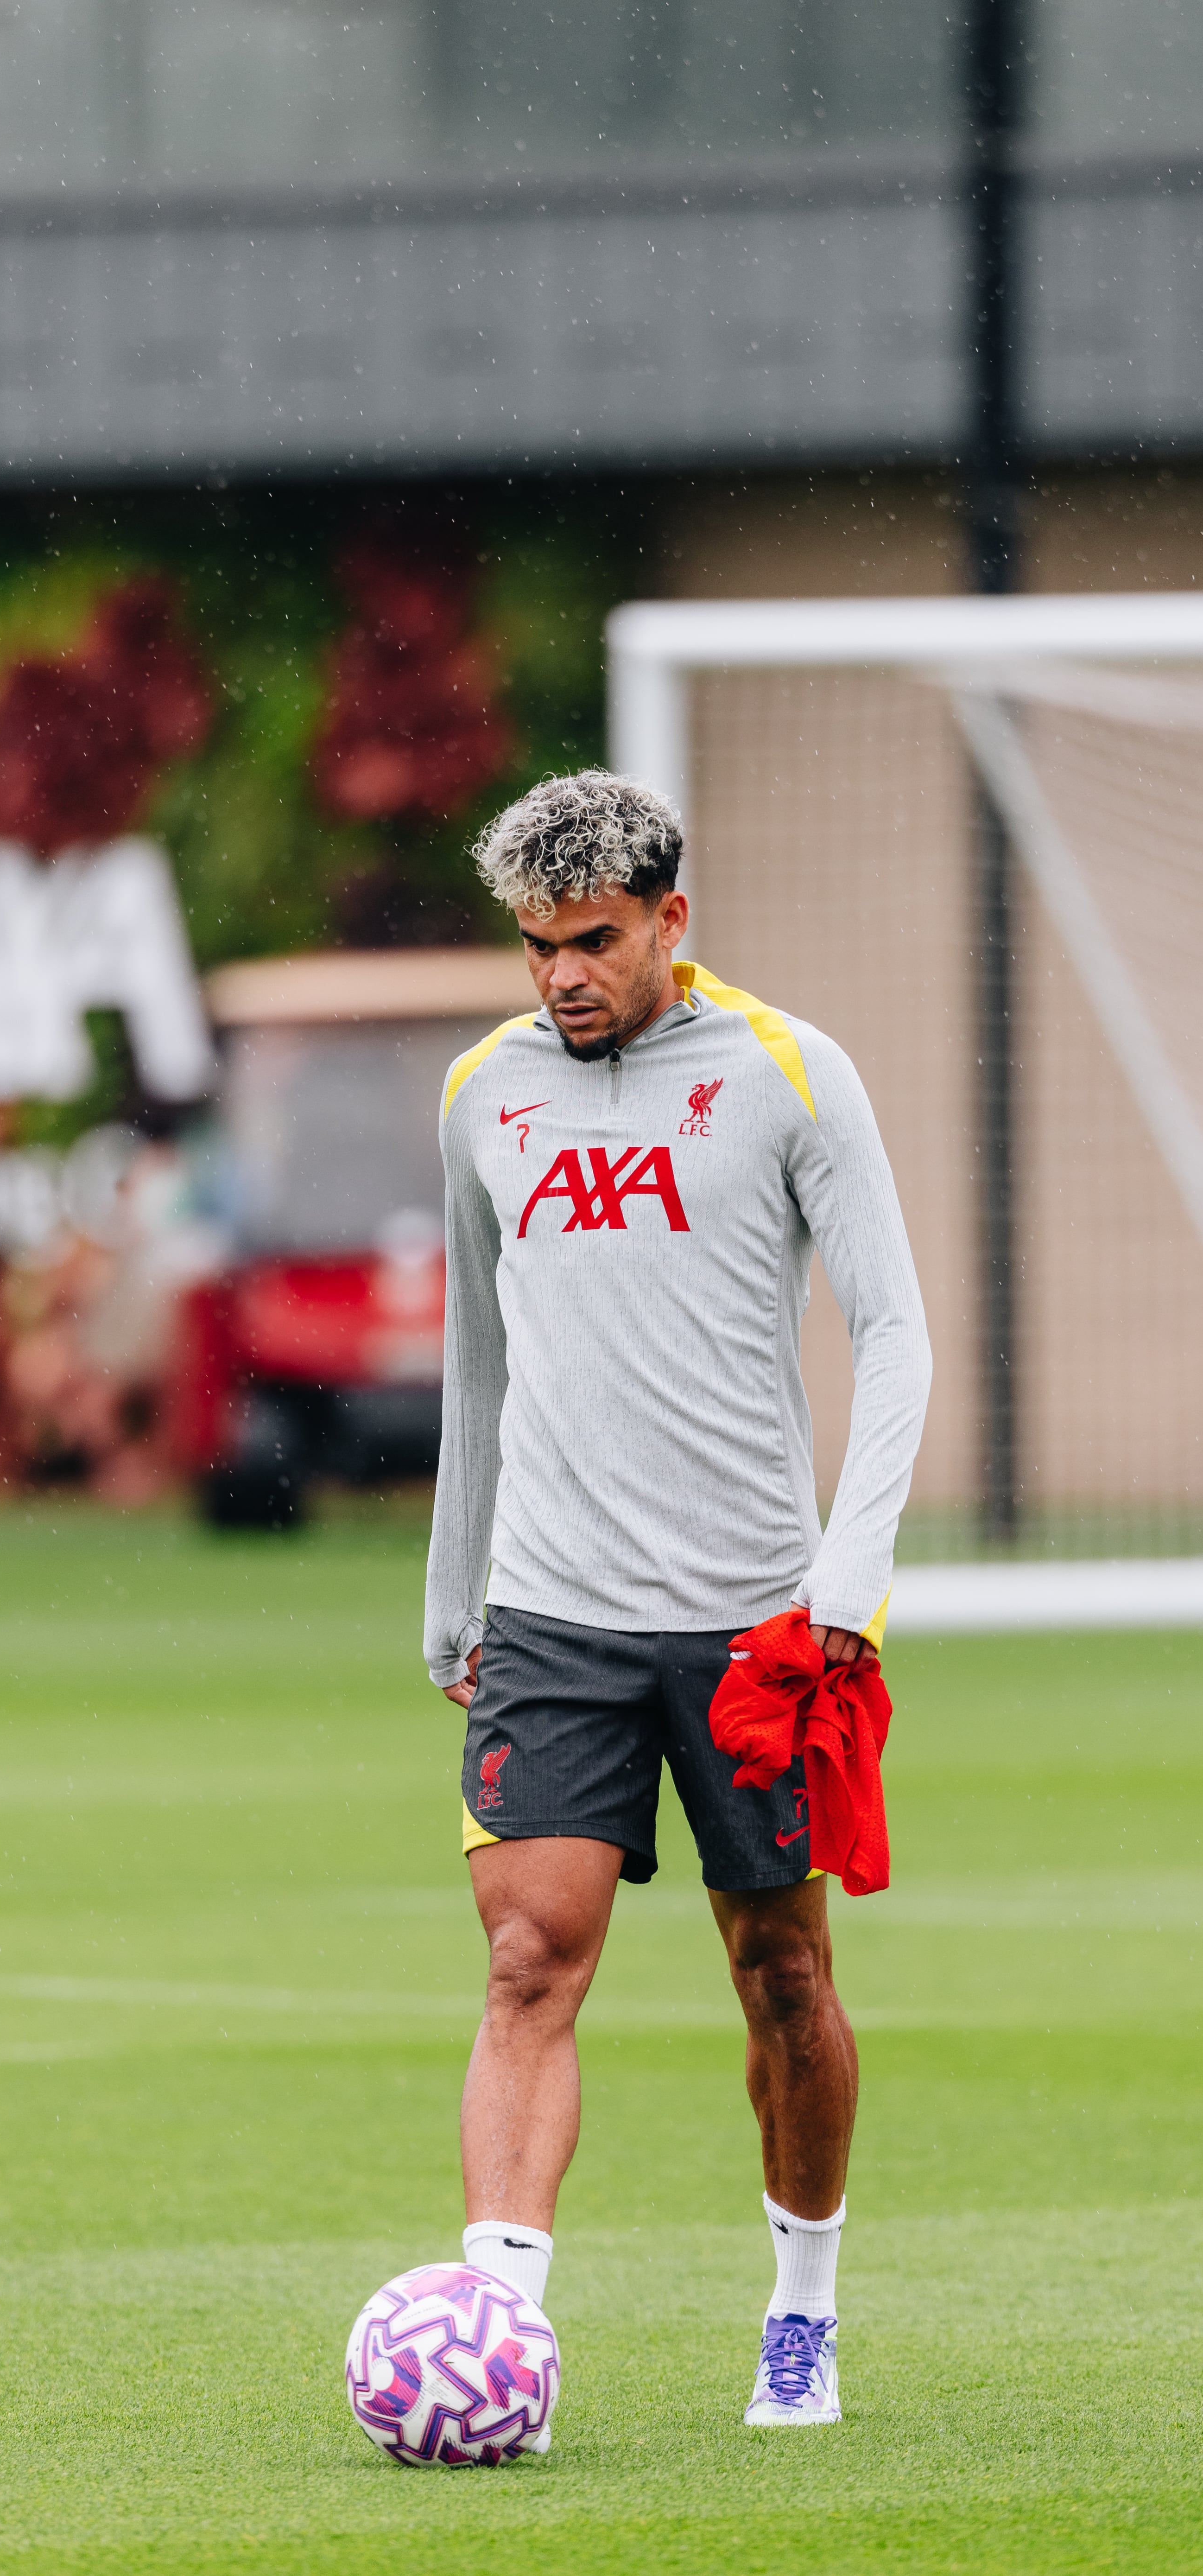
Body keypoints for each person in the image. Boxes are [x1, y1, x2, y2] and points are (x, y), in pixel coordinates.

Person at [425, 769, 931, 2431]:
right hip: (553, 1613)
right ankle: (498, 2330)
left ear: (667, 922)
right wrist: (457, 1589)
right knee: (525, 1962)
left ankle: (802, 2309)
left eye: (590, 942)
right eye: (532, 949)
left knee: (781, 1978)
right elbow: (478, 1367)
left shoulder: (792, 1074)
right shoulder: (481, 1096)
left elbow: (895, 1335)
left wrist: (843, 1594)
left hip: (752, 1630)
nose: (560, 977)